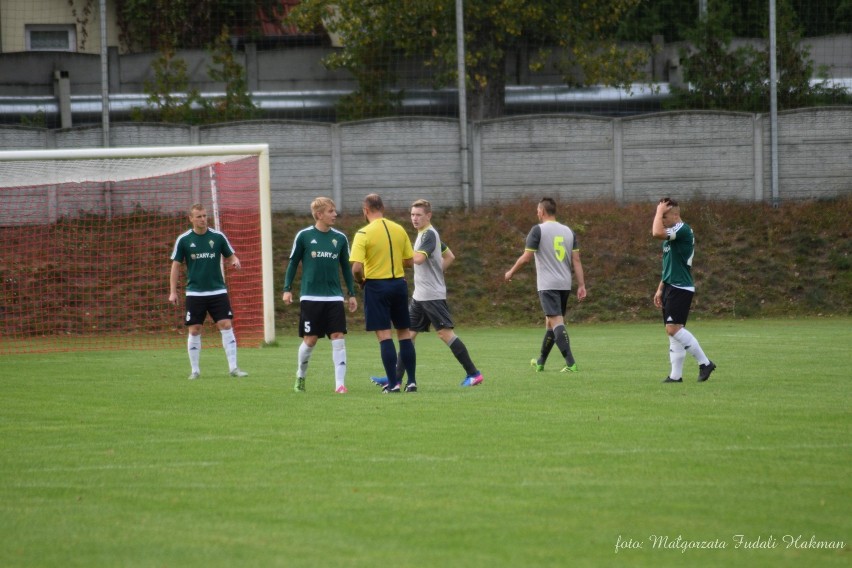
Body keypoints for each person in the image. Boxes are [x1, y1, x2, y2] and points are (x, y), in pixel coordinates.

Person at [372, 199, 483, 390]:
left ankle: (474, 374)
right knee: (408, 336)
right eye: (412, 214)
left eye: (419, 215)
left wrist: (395, 256)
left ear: (428, 216)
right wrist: (437, 272)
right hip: (420, 296)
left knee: (444, 333)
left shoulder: (429, 235)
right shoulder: (425, 234)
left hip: (431, 296)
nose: (414, 218)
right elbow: (450, 256)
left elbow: (419, 259)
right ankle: (395, 378)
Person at [283, 197, 358, 394]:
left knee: (338, 337)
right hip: (311, 297)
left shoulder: (340, 238)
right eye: (331, 211)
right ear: (319, 215)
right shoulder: (304, 236)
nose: (335, 214)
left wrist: (351, 294)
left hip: (333, 297)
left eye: (334, 211)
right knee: (311, 340)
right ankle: (300, 375)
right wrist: (287, 288)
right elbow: (293, 263)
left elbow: (345, 267)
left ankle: (340, 384)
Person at [504, 197, 587, 373]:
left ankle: (571, 363)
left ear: (542, 211)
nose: (537, 213)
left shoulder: (538, 230)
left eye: (537, 211)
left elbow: (526, 257)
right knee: (550, 323)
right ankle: (541, 361)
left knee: (556, 321)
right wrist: (581, 285)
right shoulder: (568, 231)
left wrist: (511, 271)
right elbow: (577, 260)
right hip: (565, 284)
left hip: (548, 284)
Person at [169, 203, 248, 380]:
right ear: (191, 219)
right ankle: (195, 371)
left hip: (218, 291)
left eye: (205, 216)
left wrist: (235, 261)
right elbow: (175, 266)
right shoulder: (184, 240)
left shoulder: (218, 237)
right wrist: (173, 292)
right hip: (195, 293)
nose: (203, 219)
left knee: (226, 325)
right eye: (199, 216)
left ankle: (234, 368)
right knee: (195, 330)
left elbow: (231, 255)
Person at [350, 193, 416, 394]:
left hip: (377, 287)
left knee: (384, 335)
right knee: (404, 334)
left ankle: (393, 383)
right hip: (398, 284)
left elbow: (356, 268)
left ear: (365, 210)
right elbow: (409, 261)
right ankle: (411, 382)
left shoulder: (363, 234)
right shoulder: (399, 229)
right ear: (383, 208)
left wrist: (361, 282)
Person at [652, 197, 716, 383]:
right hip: (671, 285)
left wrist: (657, 212)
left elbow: (656, 233)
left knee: (673, 329)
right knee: (673, 331)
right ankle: (675, 375)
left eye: (664, 216)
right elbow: (669, 265)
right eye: (661, 216)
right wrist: (660, 288)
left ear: (675, 215)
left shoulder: (682, 229)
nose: (661, 220)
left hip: (680, 286)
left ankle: (705, 363)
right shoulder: (672, 233)